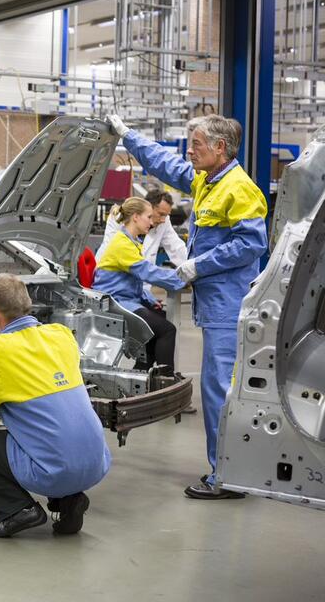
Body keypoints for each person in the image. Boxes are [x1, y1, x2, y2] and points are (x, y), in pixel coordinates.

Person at [108, 113, 267, 499]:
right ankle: (231, 468)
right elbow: (165, 163)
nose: (190, 150)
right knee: (218, 386)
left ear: (220, 148)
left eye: (196, 144)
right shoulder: (207, 180)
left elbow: (252, 243)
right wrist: (129, 136)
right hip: (215, 302)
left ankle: (227, 476)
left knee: (219, 389)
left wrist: (199, 264)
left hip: (228, 304)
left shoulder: (239, 189)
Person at [0, 273, 111, 538]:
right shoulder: (61, 335)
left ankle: (16, 509)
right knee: (46, 427)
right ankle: (68, 501)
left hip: (53, 471)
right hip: (96, 462)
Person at [92, 197, 186, 375]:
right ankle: (166, 379)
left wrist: (147, 298)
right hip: (115, 303)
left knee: (156, 326)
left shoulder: (131, 242)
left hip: (125, 299)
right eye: (149, 217)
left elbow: (133, 281)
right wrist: (183, 277)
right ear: (135, 217)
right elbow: (147, 272)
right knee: (166, 330)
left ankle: (142, 373)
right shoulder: (121, 244)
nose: (152, 222)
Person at [95, 188, 188, 268]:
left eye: (166, 215)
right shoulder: (120, 218)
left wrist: (191, 266)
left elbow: (176, 247)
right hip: (112, 277)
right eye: (161, 214)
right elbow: (115, 253)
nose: (163, 220)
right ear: (149, 207)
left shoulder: (164, 221)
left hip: (140, 283)